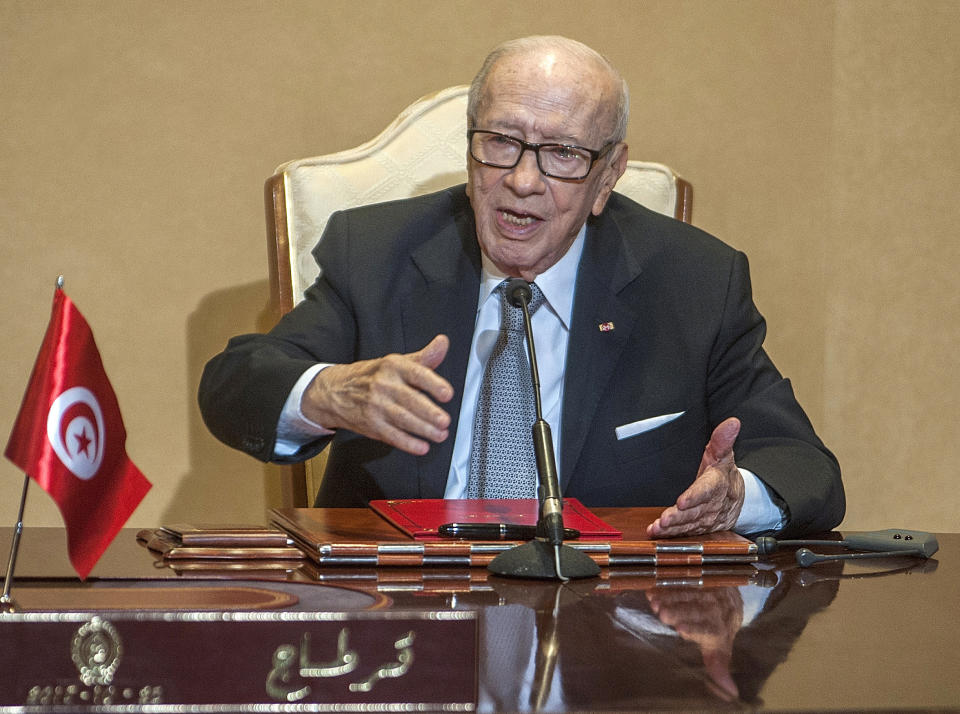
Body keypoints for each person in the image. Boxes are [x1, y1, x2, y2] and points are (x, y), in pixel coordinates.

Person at [199, 36, 844, 538]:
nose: (523, 181)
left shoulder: (696, 283)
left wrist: (739, 500)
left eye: (562, 153)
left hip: (610, 642)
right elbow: (235, 384)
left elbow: (804, 466)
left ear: (608, 175)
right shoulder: (376, 254)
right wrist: (329, 394)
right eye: (502, 142)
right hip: (403, 624)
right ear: (471, 145)